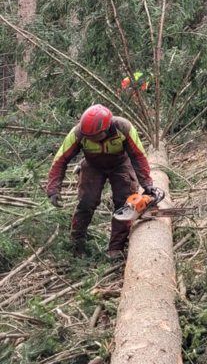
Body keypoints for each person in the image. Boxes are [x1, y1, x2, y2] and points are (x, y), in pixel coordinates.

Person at [47, 104, 154, 259]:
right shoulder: (78, 133)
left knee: (125, 204)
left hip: (120, 164)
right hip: (93, 165)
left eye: (95, 136)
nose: (90, 139)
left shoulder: (123, 128)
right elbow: (60, 159)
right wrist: (53, 189)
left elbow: (138, 156)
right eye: (88, 136)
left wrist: (147, 184)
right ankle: (77, 245)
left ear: (106, 127)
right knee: (86, 202)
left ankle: (116, 248)